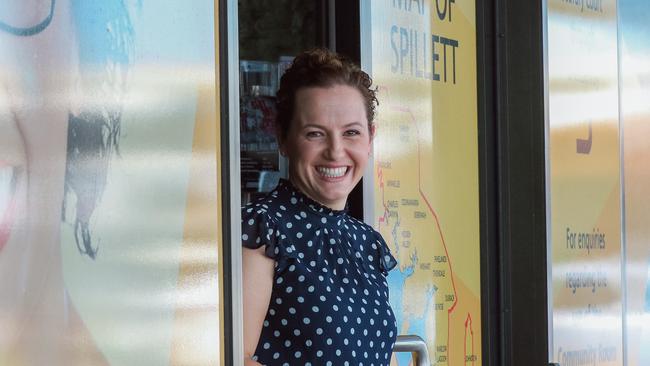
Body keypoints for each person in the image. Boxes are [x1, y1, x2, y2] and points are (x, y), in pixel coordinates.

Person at [242, 48, 398, 366]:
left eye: (351, 132)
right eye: (315, 134)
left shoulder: (367, 243)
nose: (335, 151)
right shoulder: (261, 230)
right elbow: (231, 356)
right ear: (283, 139)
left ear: (370, 138)